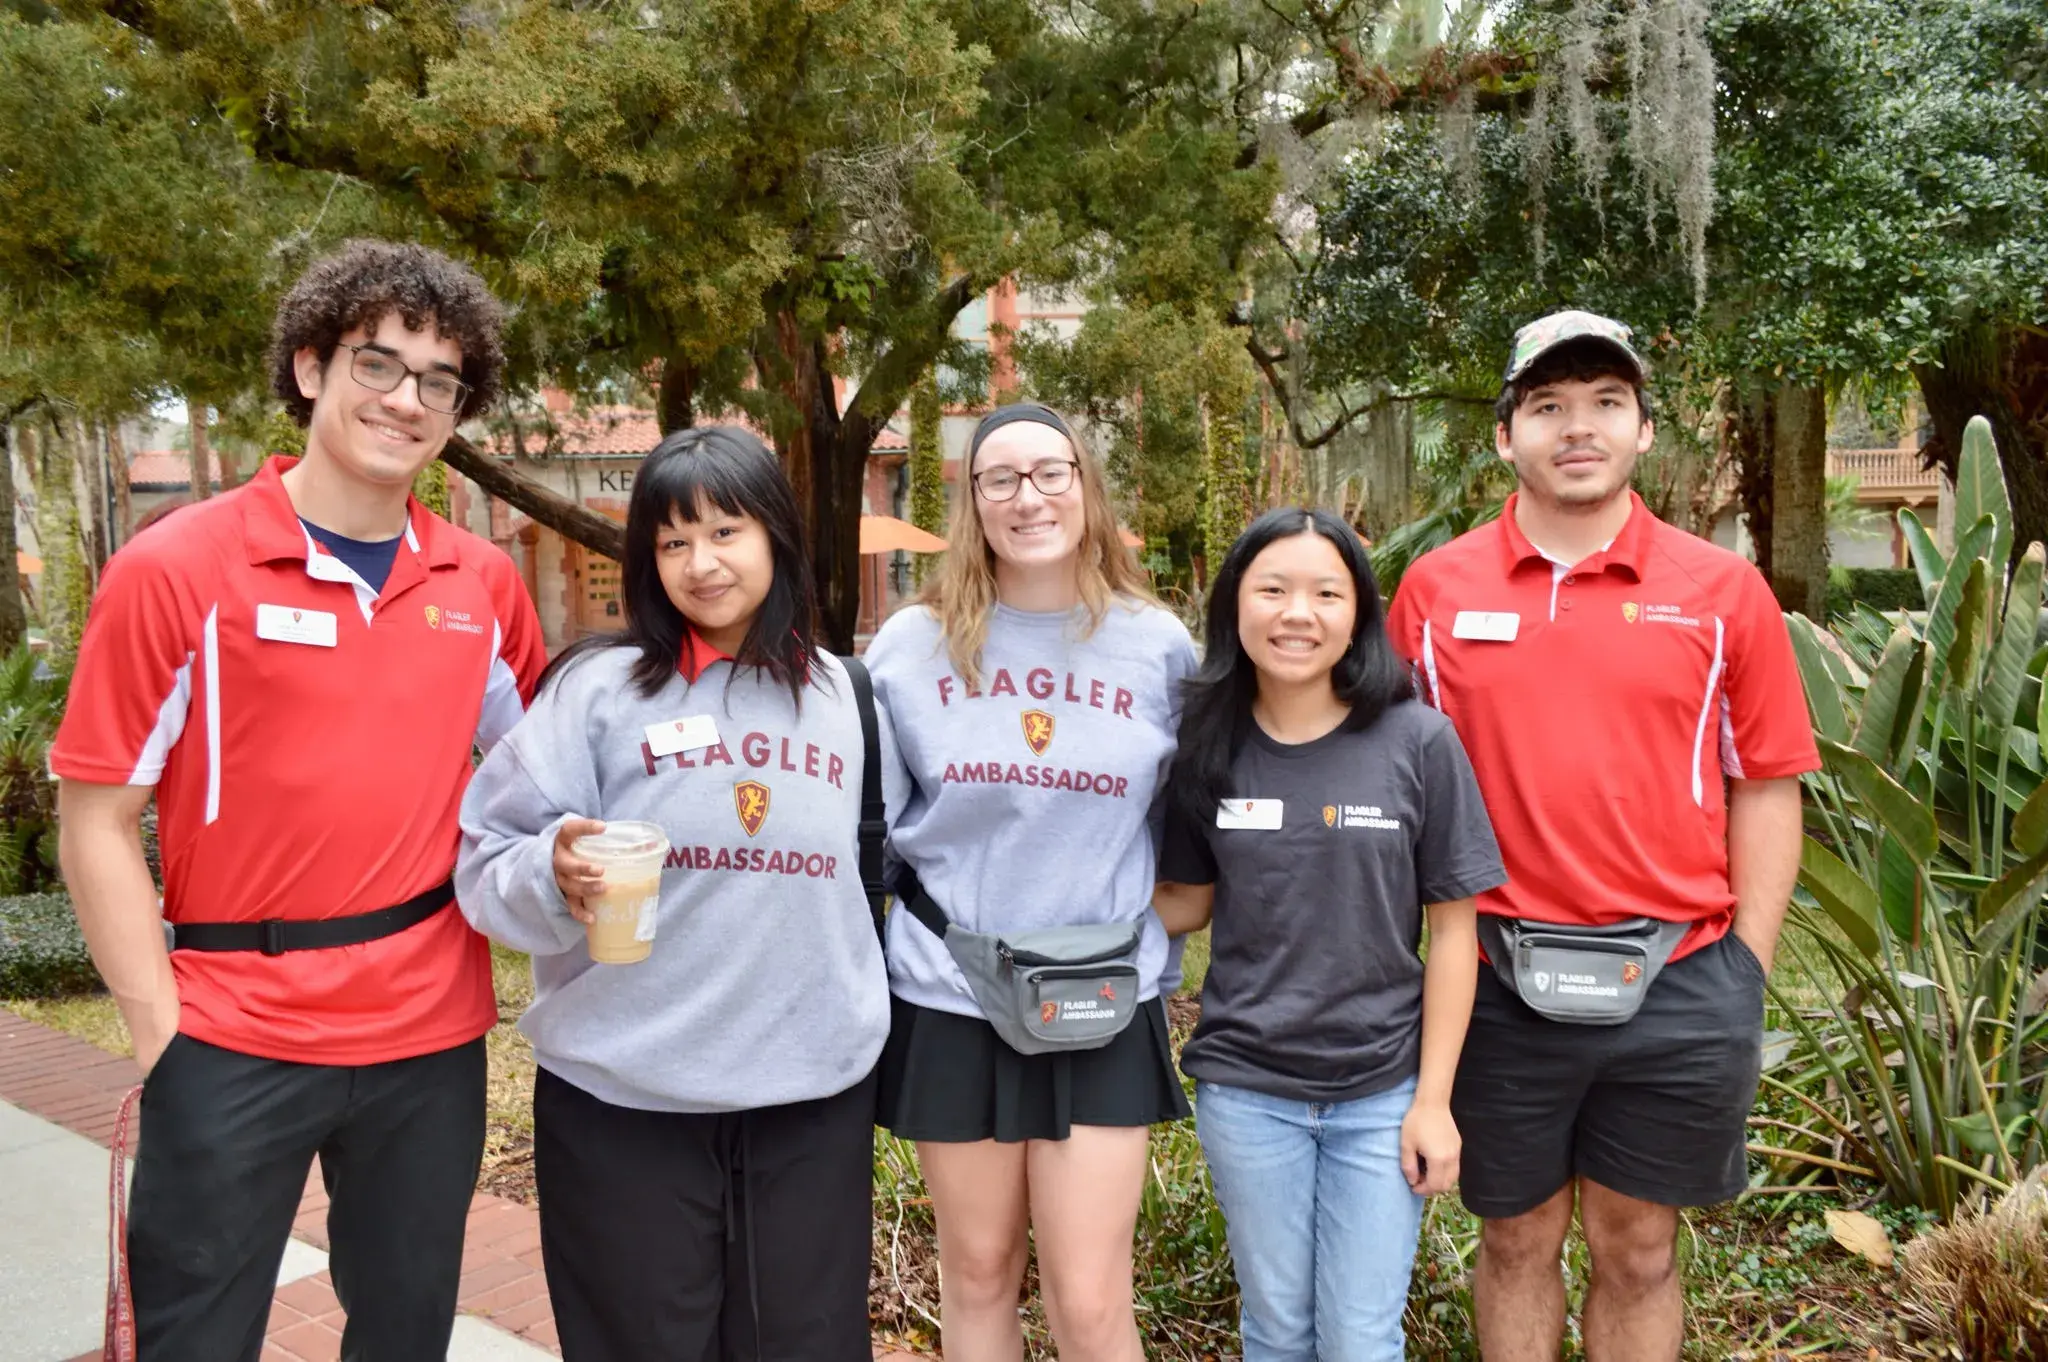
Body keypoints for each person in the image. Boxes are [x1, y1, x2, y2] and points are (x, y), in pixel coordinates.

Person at [52, 239, 546, 1361]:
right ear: (312, 367)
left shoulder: (480, 582)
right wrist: (160, 1035)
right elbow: (95, 821)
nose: (406, 399)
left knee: (405, 1336)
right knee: (195, 1341)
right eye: (378, 363)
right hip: (231, 1031)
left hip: (429, 1041)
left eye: (439, 381)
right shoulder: (178, 568)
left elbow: (551, 772)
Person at [1385, 310, 1819, 1362]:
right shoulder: (1436, 592)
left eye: (1605, 403)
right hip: (1494, 977)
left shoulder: (1721, 592)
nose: (1577, 428)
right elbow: (1387, 778)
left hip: (1678, 977)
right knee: (1515, 1239)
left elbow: (1765, 784)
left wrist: (1744, 970)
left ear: (1643, 429)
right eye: (1547, 406)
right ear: (1505, 436)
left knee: (1638, 1250)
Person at [456, 425, 900, 1362]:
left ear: (775, 534)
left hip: (810, 1103)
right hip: (625, 1105)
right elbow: (486, 863)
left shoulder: (847, 696)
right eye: (672, 541)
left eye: (726, 532)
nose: (701, 564)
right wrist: (551, 875)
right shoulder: (597, 692)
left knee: (807, 1347)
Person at [863, 402, 1195, 1362]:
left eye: (1051, 473)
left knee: (1089, 1301)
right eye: (999, 479)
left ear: (1085, 486)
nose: (1028, 497)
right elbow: (873, 831)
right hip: (953, 990)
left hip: (1098, 996)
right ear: (972, 501)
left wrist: (1151, 935)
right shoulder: (912, 646)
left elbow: (1183, 835)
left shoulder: (1157, 646)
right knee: (977, 1273)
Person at [1151, 507, 1502, 1362]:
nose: (1297, 614)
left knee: (1359, 1338)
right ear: (1235, 604)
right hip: (1247, 1089)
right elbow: (1185, 903)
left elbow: (1456, 933)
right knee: (1276, 1331)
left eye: (1326, 593)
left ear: (1359, 614)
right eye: (1272, 590)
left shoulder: (1417, 740)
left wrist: (1433, 1102)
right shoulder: (1206, 743)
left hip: (1382, 1090)